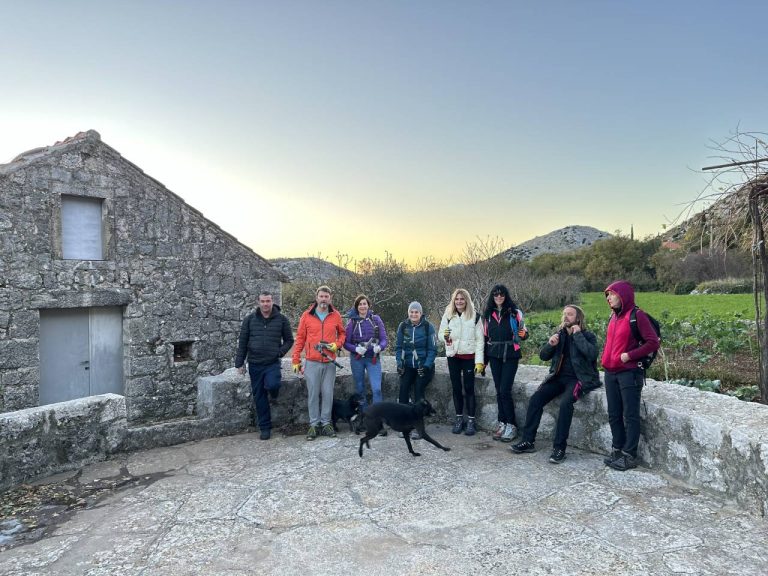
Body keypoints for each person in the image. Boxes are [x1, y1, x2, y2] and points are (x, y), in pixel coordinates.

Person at [510, 305, 602, 462]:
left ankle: (559, 449)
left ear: (578, 318)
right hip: (558, 378)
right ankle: (528, 441)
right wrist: (550, 345)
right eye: (564, 314)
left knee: (566, 404)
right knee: (536, 399)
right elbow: (544, 356)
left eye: (570, 314)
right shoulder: (559, 335)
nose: (566, 317)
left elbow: (592, 354)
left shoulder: (587, 336)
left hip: (579, 379)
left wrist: (578, 335)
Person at [602, 280, 660, 471]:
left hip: (629, 373)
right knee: (614, 414)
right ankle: (617, 450)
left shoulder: (637, 315)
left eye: (612, 294)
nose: (609, 298)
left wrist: (629, 355)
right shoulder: (613, 317)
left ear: (623, 296)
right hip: (611, 373)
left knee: (630, 415)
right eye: (608, 295)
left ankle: (629, 455)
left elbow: (653, 342)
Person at [235, 291, 294, 440]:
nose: (265, 304)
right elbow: (242, 343)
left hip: (272, 363)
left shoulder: (281, 320)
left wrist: (279, 353)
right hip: (254, 364)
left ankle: (273, 394)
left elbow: (289, 340)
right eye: (262, 301)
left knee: (273, 385)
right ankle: (265, 428)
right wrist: (239, 363)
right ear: (258, 302)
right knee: (259, 397)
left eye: (268, 301)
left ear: (272, 301)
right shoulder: (249, 320)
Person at [291, 285, 346, 441]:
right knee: (313, 394)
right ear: (316, 298)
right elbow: (300, 338)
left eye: (326, 297)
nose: (323, 299)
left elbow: (342, 333)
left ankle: (326, 423)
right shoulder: (306, 316)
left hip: (329, 362)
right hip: (312, 362)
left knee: (328, 394)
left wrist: (337, 344)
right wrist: (296, 359)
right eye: (321, 296)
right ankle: (314, 425)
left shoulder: (335, 315)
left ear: (330, 298)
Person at [483, 284, 528, 443]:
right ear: (492, 297)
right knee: (498, 390)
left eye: (501, 294)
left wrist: (524, 334)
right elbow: (485, 337)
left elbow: (524, 332)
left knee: (504, 390)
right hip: (494, 354)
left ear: (506, 296)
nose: (499, 297)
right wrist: (482, 361)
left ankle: (511, 425)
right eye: (496, 295)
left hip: (510, 354)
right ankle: (502, 423)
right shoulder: (488, 314)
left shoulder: (515, 313)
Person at [438, 288, 484, 436]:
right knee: (456, 388)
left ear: (467, 300)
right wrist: (444, 337)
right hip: (453, 356)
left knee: (469, 388)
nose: (459, 302)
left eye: (462, 299)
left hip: (469, 357)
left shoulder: (475, 317)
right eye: (457, 299)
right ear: (453, 300)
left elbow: (480, 341)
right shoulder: (448, 315)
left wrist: (479, 362)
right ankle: (459, 419)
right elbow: (440, 334)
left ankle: (471, 420)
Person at [395, 301, 437, 439]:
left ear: (420, 313)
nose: (414, 314)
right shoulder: (403, 326)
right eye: (411, 312)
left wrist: (426, 366)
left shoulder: (427, 327)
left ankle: (419, 428)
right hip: (408, 365)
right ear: (408, 313)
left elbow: (432, 349)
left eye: (416, 312)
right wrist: (399, 363)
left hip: (423, 366)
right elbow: (399, 347)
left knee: (419, 392)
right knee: (403, 391)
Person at [343, 294, 388, 412]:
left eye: (365, 304)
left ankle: (376, 416)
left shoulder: (376, 319)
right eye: (360, 304)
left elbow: (384, 339)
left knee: (377, 389)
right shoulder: (351, 322)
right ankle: (364, 416)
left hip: (373, 358)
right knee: (359, 389)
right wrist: (355, 349)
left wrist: (380, 347)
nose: (363, 306)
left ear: (368, 305)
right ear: (356, 307)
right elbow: (345, 343)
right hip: (357, 359)